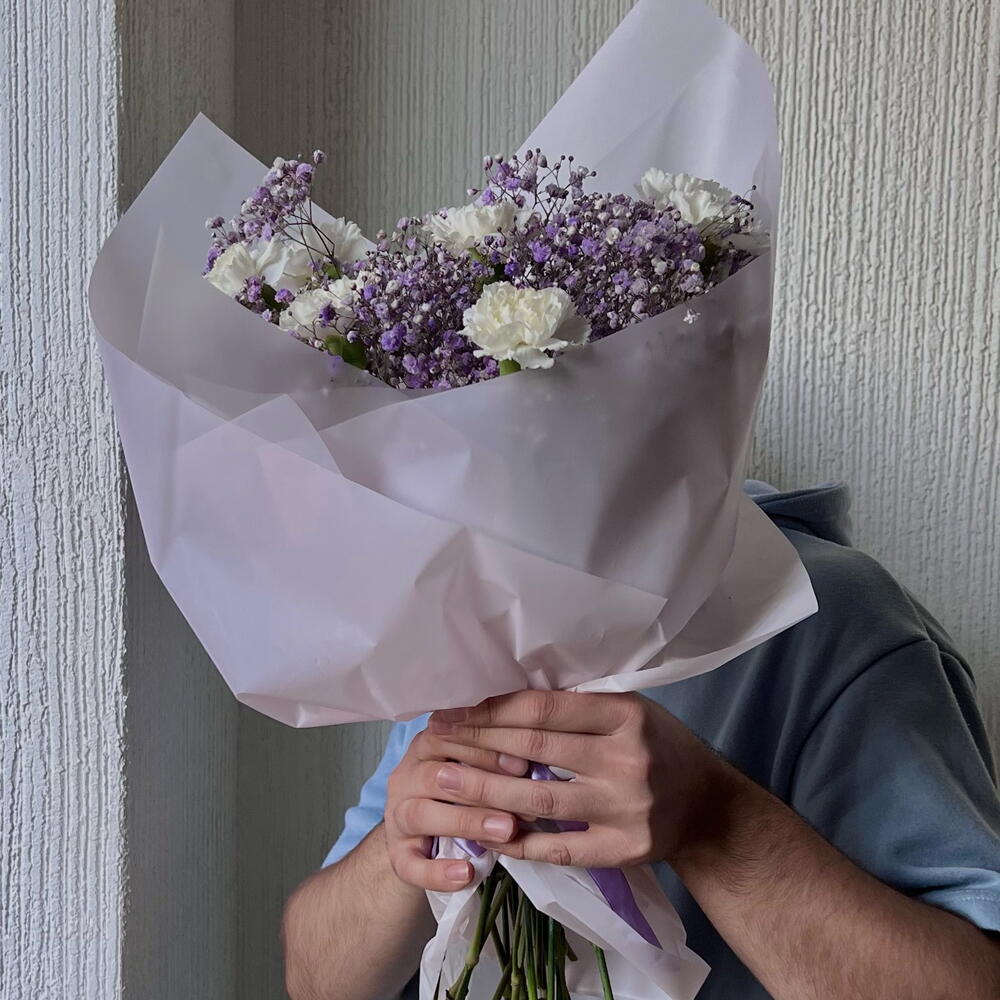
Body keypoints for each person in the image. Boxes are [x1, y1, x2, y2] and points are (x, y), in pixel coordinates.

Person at [282, 483, 1000, 999]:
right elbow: (314, 980)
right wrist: (406, 837)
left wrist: (715, 820)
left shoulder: (835, 620)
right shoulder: (473, 607)